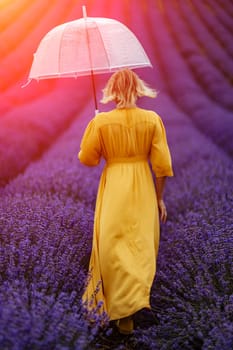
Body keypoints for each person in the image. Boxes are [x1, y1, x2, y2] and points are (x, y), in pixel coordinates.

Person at [78, 69, 173, 334]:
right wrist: (160, 199)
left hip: (114, 189)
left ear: (113, 90)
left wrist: (95, 126)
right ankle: (130, 310)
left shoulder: (102, 123)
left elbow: (88, 159)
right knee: (141, 245)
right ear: (138, 88)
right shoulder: (152, 119)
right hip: (142, 185)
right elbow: (162, 166)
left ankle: (123, 316)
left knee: (113, 246)